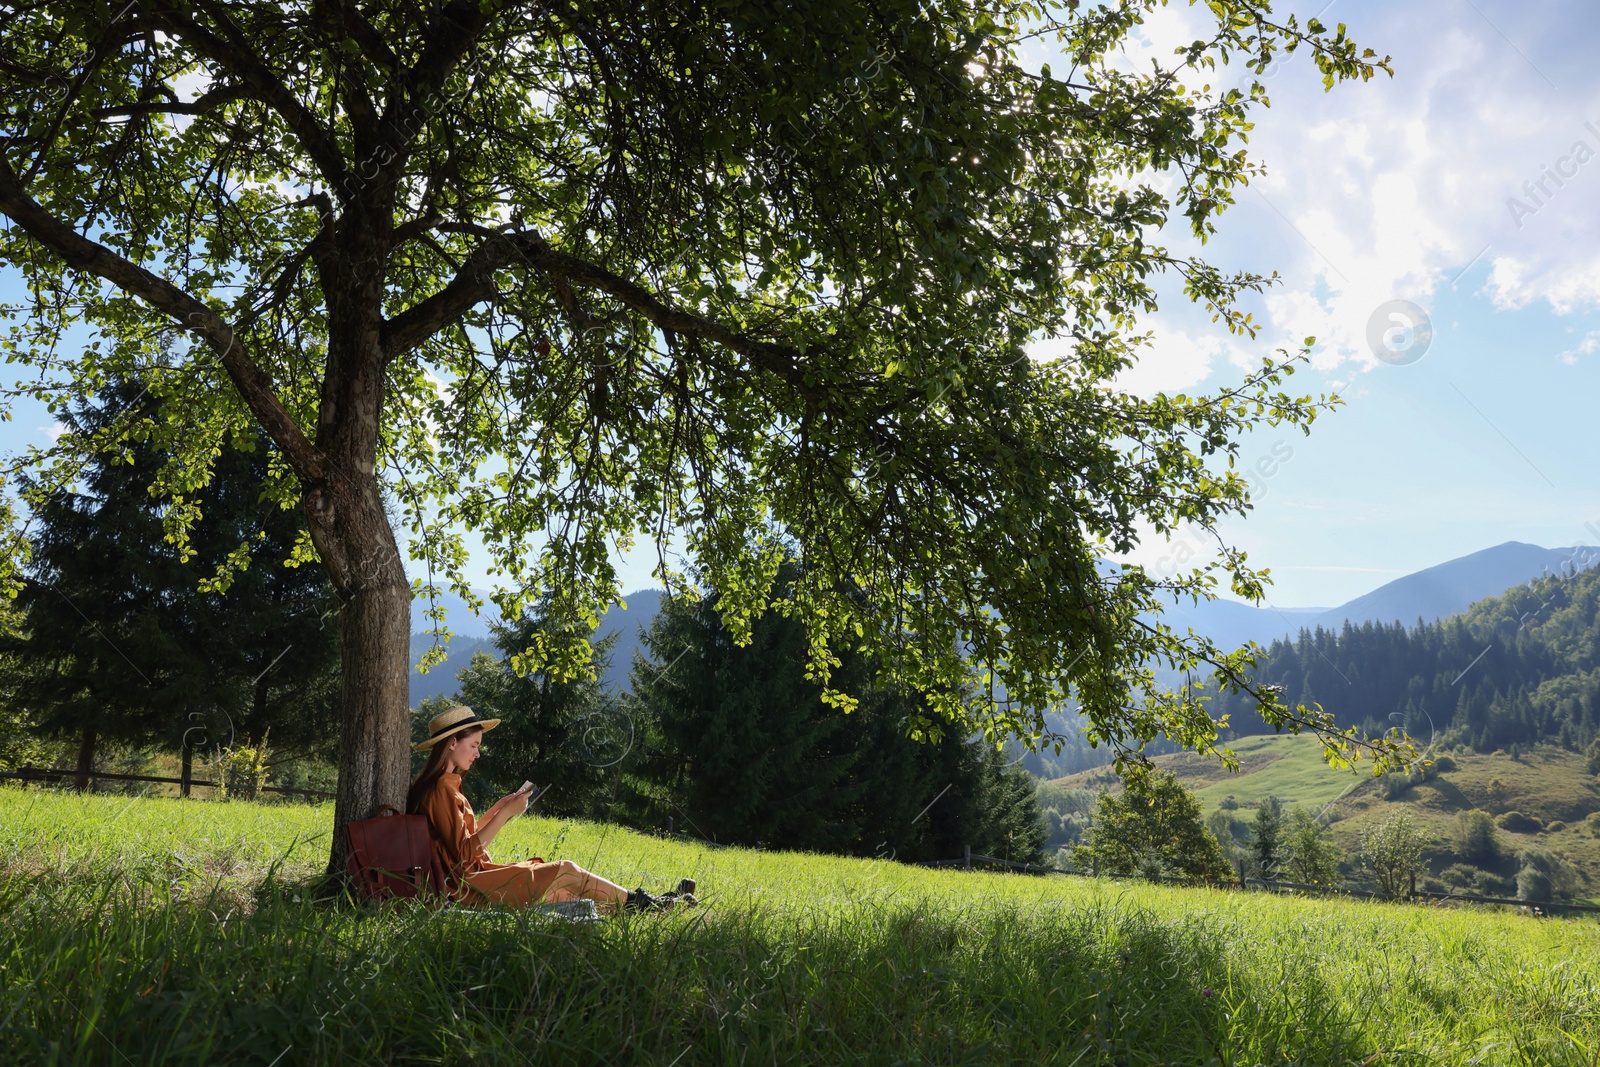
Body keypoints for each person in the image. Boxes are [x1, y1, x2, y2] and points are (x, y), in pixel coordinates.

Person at [408, 705, 685, 912]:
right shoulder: (441, 788)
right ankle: (646, 903)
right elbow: (465, 853)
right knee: (565, 870)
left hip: (472, 877)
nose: (478, 753)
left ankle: (651, 907)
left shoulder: (446, 785)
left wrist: (498, 809)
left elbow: (464, 842)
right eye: (474, 745)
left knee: (563, 895)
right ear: (452, 742)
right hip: (466, 886)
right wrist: (505, 814)